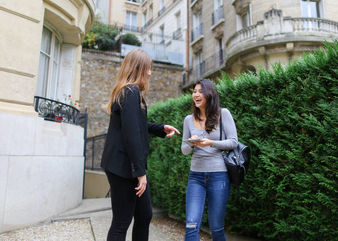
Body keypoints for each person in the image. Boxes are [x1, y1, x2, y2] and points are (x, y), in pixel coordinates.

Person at [101, 48, 180, 241]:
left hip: (125, 166)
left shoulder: (128, 91)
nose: (150, 73)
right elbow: (131, 134)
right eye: (148, 68)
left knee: (144, 215)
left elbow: (135, 124)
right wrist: (140, 172)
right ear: (138, 68)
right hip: (124, 168)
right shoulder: (131, 91)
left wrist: (160, 128)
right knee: (121, 223)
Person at [181, 79, 238, 240]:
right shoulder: (188, 119)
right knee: (191, 226)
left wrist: (211, 142)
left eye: (200, 91)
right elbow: (184, 151)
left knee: (216, 228)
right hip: (196, 176)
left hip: (218, 175)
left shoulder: (223, 114)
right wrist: (192, 143)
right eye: (194, 91)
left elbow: (233, 141)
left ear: (210, 94)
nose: (196, 94)